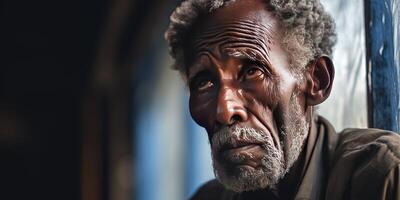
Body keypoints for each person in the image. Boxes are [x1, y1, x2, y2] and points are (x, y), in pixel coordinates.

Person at [165, 0, 400, 199]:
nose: (224, 110)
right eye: (204, 83)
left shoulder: (384, 178)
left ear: (316, 81)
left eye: (252, 72)